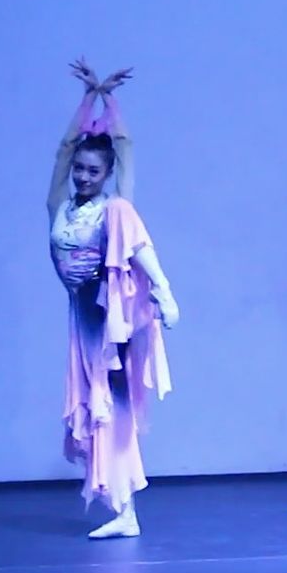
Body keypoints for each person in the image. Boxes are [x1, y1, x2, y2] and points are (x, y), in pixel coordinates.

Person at [47, 57, 179, 539]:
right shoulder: (59, 206)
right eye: (80, 170)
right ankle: (124, 509)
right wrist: (89, 99)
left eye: (93, 171)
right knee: (97, 409)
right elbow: (63, 152)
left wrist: (112, 105)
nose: (83, 177)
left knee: (114, 408)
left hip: (111, 319)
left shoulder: (112, 206)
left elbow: (124, 147)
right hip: (82, 321)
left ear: (106, 173)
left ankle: (162, 288)